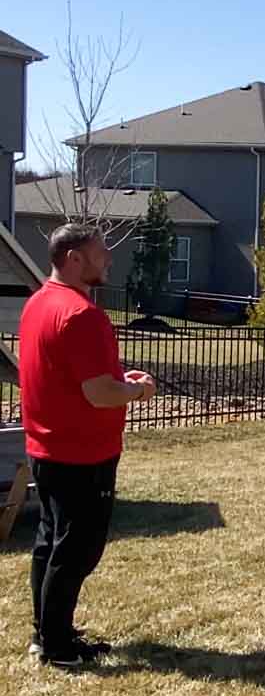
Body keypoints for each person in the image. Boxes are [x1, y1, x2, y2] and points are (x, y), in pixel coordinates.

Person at [17, 223, 157, 670]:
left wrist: (119, 381)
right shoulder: (81, 315)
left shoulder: (39, 303)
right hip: (82, 453)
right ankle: (58, 646)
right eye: (101, 254)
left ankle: (47, 632)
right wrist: (137, 391)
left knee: (50, 541)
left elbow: (77, 378)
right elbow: (98, 394)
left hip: (45, 446)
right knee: (77, 549)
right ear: (74, 258)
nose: (108, 261)